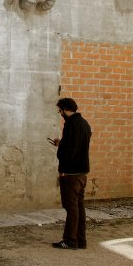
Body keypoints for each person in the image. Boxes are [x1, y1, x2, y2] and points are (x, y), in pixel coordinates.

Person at [49, 98, 92, 250]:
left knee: (71, 207)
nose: (60, 113)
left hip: (71, 173)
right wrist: (61, 144)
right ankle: (80, 240)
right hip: (82, 172)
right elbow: (76, 145)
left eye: (60, 110)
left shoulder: (71, 124)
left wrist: (62, 170)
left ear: (66, 109)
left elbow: (70, 151)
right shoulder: (84, 123)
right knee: (79, 207)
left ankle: (70, 241)